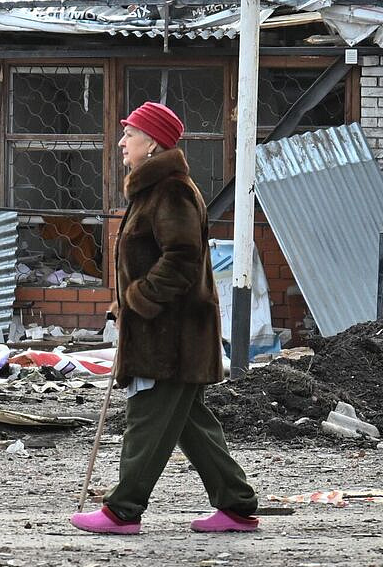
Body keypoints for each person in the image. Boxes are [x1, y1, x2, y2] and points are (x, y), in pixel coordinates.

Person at [69, 101, 260, 535]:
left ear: (152, 143)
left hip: (171, 337)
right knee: (192, 426)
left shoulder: (171, 190)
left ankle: (122, 511)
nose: (121, 142)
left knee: (147, 421)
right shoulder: (153, 190)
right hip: (173, 335)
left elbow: (183, 259)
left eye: (130, 134)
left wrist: (138, 299)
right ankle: (236, 506)